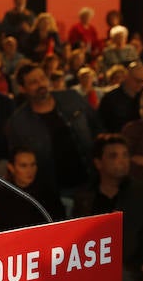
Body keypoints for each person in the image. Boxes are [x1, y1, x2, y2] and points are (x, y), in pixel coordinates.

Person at [72, 135, 143, 281]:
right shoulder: (85, 198)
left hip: (133, 268)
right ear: (98, 163)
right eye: (113, 156)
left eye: (125, 155)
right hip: (92, 266)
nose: (122, 160)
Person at [6, 63, 101, 196]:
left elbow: (97, 126)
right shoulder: (18, 123)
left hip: (92, 179)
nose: (41, 84)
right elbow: (19, 159)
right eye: (33, 82)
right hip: (54, 191)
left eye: (43, 78)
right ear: (23, 88)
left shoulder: (71, 98)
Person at [0, 147, 64, 231]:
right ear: (11, 168)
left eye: (33, 165)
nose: (30, 170)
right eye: (23, 166)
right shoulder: (0, 196)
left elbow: (59, 224)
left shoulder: (48, 193)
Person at [99, 62, 143, 133]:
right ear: (126, 77)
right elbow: (102, 124)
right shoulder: (110, 98)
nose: (141, 84)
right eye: (137, 81)